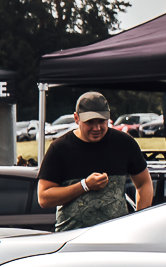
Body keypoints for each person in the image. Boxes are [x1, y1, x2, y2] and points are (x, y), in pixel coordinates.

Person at [37, 91, 152, 230]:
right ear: (76, 118)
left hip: (117, 236)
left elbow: (144, 183)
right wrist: (84, 185)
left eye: (102, 121)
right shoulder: (60, 148)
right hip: (72, 237)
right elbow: (44, 198)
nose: (96, 128)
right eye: (90, 122)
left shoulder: (125, 143)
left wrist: (138, 223)